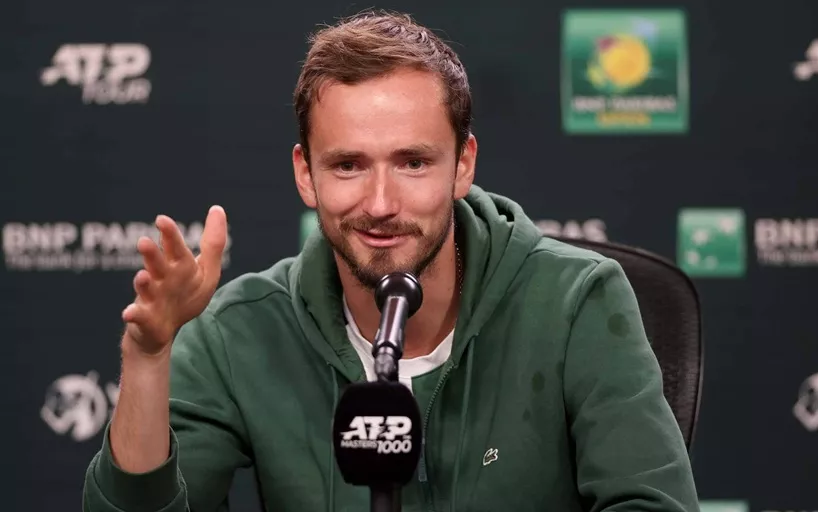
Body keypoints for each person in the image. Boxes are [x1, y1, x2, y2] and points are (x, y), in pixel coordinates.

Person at [82, 9, 699, 512]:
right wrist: (148, 358)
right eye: (348, 165)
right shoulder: (240, 329)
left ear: (463, 164)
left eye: (413, 162)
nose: (380, 204)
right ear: (306, 174)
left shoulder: (576, 301)